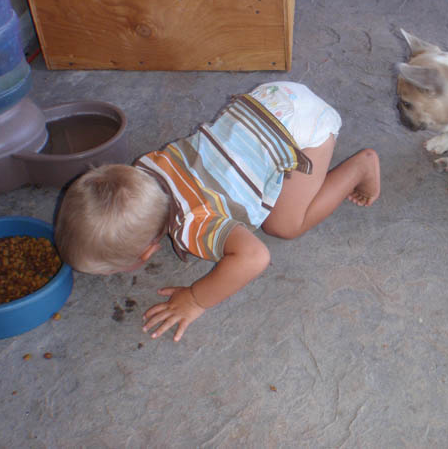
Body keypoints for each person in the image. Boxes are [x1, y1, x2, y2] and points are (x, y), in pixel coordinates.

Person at [55, 82, 380, 342]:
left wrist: (196, 299)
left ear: (150, 251)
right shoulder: (146, 167)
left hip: (306, 130)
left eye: (112, 270)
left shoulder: (194, 225)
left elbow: (254, 258)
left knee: (283, 226)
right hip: (271, 98)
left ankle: (361, 166)